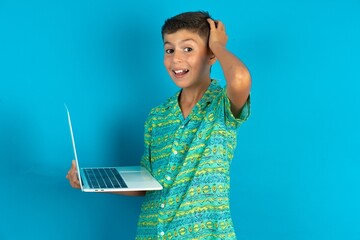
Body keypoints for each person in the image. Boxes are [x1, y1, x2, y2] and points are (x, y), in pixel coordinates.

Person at [66, 11, 251, 239]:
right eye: (169, 50)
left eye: (188, 48)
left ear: (210, 55)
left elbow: (241, 78)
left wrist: (218, 45)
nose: (176, 59)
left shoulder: (221, 107)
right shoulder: (158, 116)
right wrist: (90, 181)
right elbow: (147, 181)